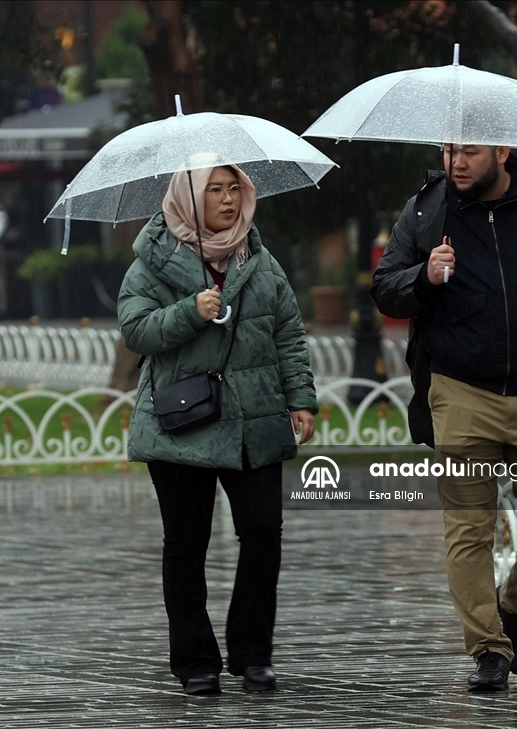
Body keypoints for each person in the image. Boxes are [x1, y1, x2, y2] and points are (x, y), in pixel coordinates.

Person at [371, 144, 517, 692]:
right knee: (467, 529)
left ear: (502, 151)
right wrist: (425, 278)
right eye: (449, 150)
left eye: (469, 152)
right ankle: (488, 649)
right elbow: (386, 288)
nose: (456, 161)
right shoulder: (429, 209)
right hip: (460, 392)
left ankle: (516, 605)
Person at [118, 164, 317, 696]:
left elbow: (288, 333)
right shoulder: (152, 260)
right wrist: (191, 309)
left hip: (255, 419)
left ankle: (253, 654)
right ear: (188, 197)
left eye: (235, 190)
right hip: (182, 424)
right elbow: (135, 330)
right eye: (215, 190)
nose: (228, 201)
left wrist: (300, 399)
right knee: (186, 544)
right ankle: (195, 662)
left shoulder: (259, 257)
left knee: (262, 534)